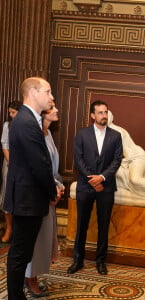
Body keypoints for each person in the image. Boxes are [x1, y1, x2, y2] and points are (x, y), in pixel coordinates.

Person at [3, 77, 62, 300]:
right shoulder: (27, 122)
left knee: (23, 252)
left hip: (27, 197)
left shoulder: (28, 119)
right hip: (27, 199)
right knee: (20, 254)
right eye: (48, 92)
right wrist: (52, 192)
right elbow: (39, 164)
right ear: (33, 93)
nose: (52, 97)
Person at [67, 100, 122, 276]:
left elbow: (117, 160)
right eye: (100, 112)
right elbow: (78, 159)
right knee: (81, 224)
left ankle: (100, 261)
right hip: (85, 186)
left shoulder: (115, 136)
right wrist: (92, 178)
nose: (104, 115)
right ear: (92, 115)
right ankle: (78, 260)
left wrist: (102, 177)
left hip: (106, 187)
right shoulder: (82, 134)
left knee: (104, 225)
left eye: (105, 112)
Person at [24, 101, 65, 298]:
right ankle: (29, 279)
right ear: (43, 113)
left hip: (49, 194)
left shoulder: (48, 134)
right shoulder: (36, 134)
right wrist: (51, 190)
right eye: (52, 107)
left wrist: (58, 186)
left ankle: (34, 275)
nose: (56, 110)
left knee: (43, 240)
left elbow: (52, 169)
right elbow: (36, 169)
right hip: (39, 196)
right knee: (34, 240)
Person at [0, 101, 23, 243]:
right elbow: (5, 144)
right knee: (7, 194)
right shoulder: (7, 125)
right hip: (9, 164)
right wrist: (11, 160)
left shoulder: (28, 125)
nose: (11, 115)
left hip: (24, 166)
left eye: (13, 112)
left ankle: (19, 230)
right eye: (10, 112)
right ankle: (9, 228)